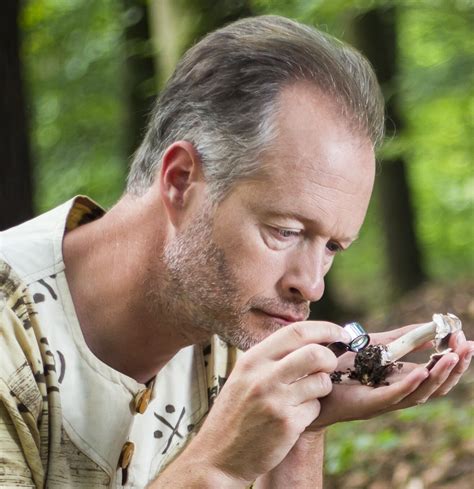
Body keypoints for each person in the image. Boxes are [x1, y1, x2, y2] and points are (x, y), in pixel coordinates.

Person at [0, 15, 472, 489]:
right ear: (181, 180)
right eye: (285, 231)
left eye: (332, 246)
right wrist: (216, 467)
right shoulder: (9, 337)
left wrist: (305, 422)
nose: (312, 283)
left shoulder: (232, 326)